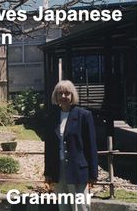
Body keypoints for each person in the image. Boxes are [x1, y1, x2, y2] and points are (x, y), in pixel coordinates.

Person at [44, 80, 98, 211]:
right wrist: (48, 172)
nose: (63, 96)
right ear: (55, 96)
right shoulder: (52, 117)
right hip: (58, 168)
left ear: (72, 95)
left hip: (78, 169)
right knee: (64, 206)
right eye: (60, 93)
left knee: (81, 205)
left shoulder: (84, 115)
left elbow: (91, 146)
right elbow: (49, 147)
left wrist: (93, 174)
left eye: (67, 93)